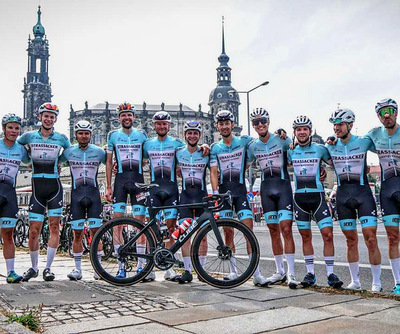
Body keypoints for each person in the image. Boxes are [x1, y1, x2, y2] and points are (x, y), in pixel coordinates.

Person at [326, 108, 382, 291]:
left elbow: (384, 146)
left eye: (340, 125)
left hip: (363, 194)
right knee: (350, 240)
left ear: (350, 125)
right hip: (343, 197)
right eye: (335, 125)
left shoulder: (364, 142)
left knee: (371, 239)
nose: (337, 128)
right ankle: (355, 282)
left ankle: (377, 282)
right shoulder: (330, 146)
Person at [210, 110, 268, 286]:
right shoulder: (215, 147)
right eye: (221, 124)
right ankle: (234, 272)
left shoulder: (244, 141)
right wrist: (214, 193)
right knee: (228, 232)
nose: (225, 126)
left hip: (240, 192)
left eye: (227, 123)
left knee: (248, 231)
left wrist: (280, 133)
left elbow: (261, 140)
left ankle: (256, 273)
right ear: (218, 126)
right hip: (224, 193)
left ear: (232, 125)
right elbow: (213, 172)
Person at [288, 115, 343, 288]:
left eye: (305, 129)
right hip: (299, 198)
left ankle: (330, 274)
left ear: (310, 131)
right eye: (298, 129)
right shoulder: (290, 150)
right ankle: (310, 273)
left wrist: (333, 142)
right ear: (295, 132)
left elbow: (333, 162)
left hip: (318, 196)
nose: (302, 132)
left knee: (328, 234)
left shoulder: (320, 149)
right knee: (305, 236)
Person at [18, 103, 70, 281]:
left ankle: (48, 268)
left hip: (55, 186)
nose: (48, 119)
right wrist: (28, 162)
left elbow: (69, 153)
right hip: (37, 187)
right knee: (34, 230)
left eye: (52, 116)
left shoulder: (61, 138)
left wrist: (59, 162)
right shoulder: (29, 136)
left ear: (55, 119)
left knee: (55, 227)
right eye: (45, 116)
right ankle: (34, 267)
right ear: (40, 117)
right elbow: (16, 147)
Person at [247, 108, 298, 288]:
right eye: (256, 122)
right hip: (266, 189)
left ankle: (292, 273)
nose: (260, 124)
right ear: (253, 126)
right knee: (273, 230)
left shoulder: (281, 140)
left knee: (286, 229)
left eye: (263, 121)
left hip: (283, 187)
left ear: (268, 122)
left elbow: (296, 149)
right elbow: (245, 161)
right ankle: (280, 271)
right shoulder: (253, 146)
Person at [105, 103, 149, 280]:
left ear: (134, 117)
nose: (127, 118)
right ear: (118, 118)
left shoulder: (142, 135)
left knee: (141, 223)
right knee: (118, 224)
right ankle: (121, 266)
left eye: (129, 115)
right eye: (123, 115)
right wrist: (108, 186)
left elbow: (147, 158)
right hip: (120, 182)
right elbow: (108, 162)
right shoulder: (113, 135)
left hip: (138, 181)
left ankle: (141, 265)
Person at [143, 111, 186, 281]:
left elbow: (192, 150)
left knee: (171, 228)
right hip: (154, 188)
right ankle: (150, 268)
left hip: (171, 188)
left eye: (165, 124)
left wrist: (204, 148)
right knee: (151, 229)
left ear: (169, 125)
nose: (162, 126)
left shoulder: (177, 143)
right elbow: (141, 159)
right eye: (158, 124)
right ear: (154, 126)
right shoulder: (148, 144)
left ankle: (168, 267)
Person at [61, 120, 106, 280]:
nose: (84, 136)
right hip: (76, 197)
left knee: (96, 234)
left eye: (86, 133)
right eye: (80, 133)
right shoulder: (68, 152)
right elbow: (56, 163)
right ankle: (78, 269)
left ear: (91, 135)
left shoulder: (99, 152)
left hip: (94, 196)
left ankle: (98, 269)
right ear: (76, 135)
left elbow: (111, 163)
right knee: (77, 234)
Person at [365, 98, 400, 294]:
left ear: (396, 112)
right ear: (378, 117)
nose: (386, 115)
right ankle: (398, 283)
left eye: (389, 110)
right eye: (381, 112)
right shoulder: (374, 134)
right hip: (387, 190)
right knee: (393, 238)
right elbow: (353, 142)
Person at [175, 120, 210, 283]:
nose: (192, 135)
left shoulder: (206, 152)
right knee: (185, 235)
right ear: (185, 135)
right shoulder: (178, 153)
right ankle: (188, 270)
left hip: (202, 196)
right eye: (189, 133)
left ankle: (201, 271)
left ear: (200, 136)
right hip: (186, 197)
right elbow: (175, 171)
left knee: (203, 236)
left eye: (195, 133)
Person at [0, 114, 30, 283]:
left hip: (9, 193)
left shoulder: (20, 149)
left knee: (8, 234)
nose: (13, 131)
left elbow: (32, 163)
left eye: (16, 128)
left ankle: (10, 272)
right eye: (10, 127)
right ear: (4, 128)